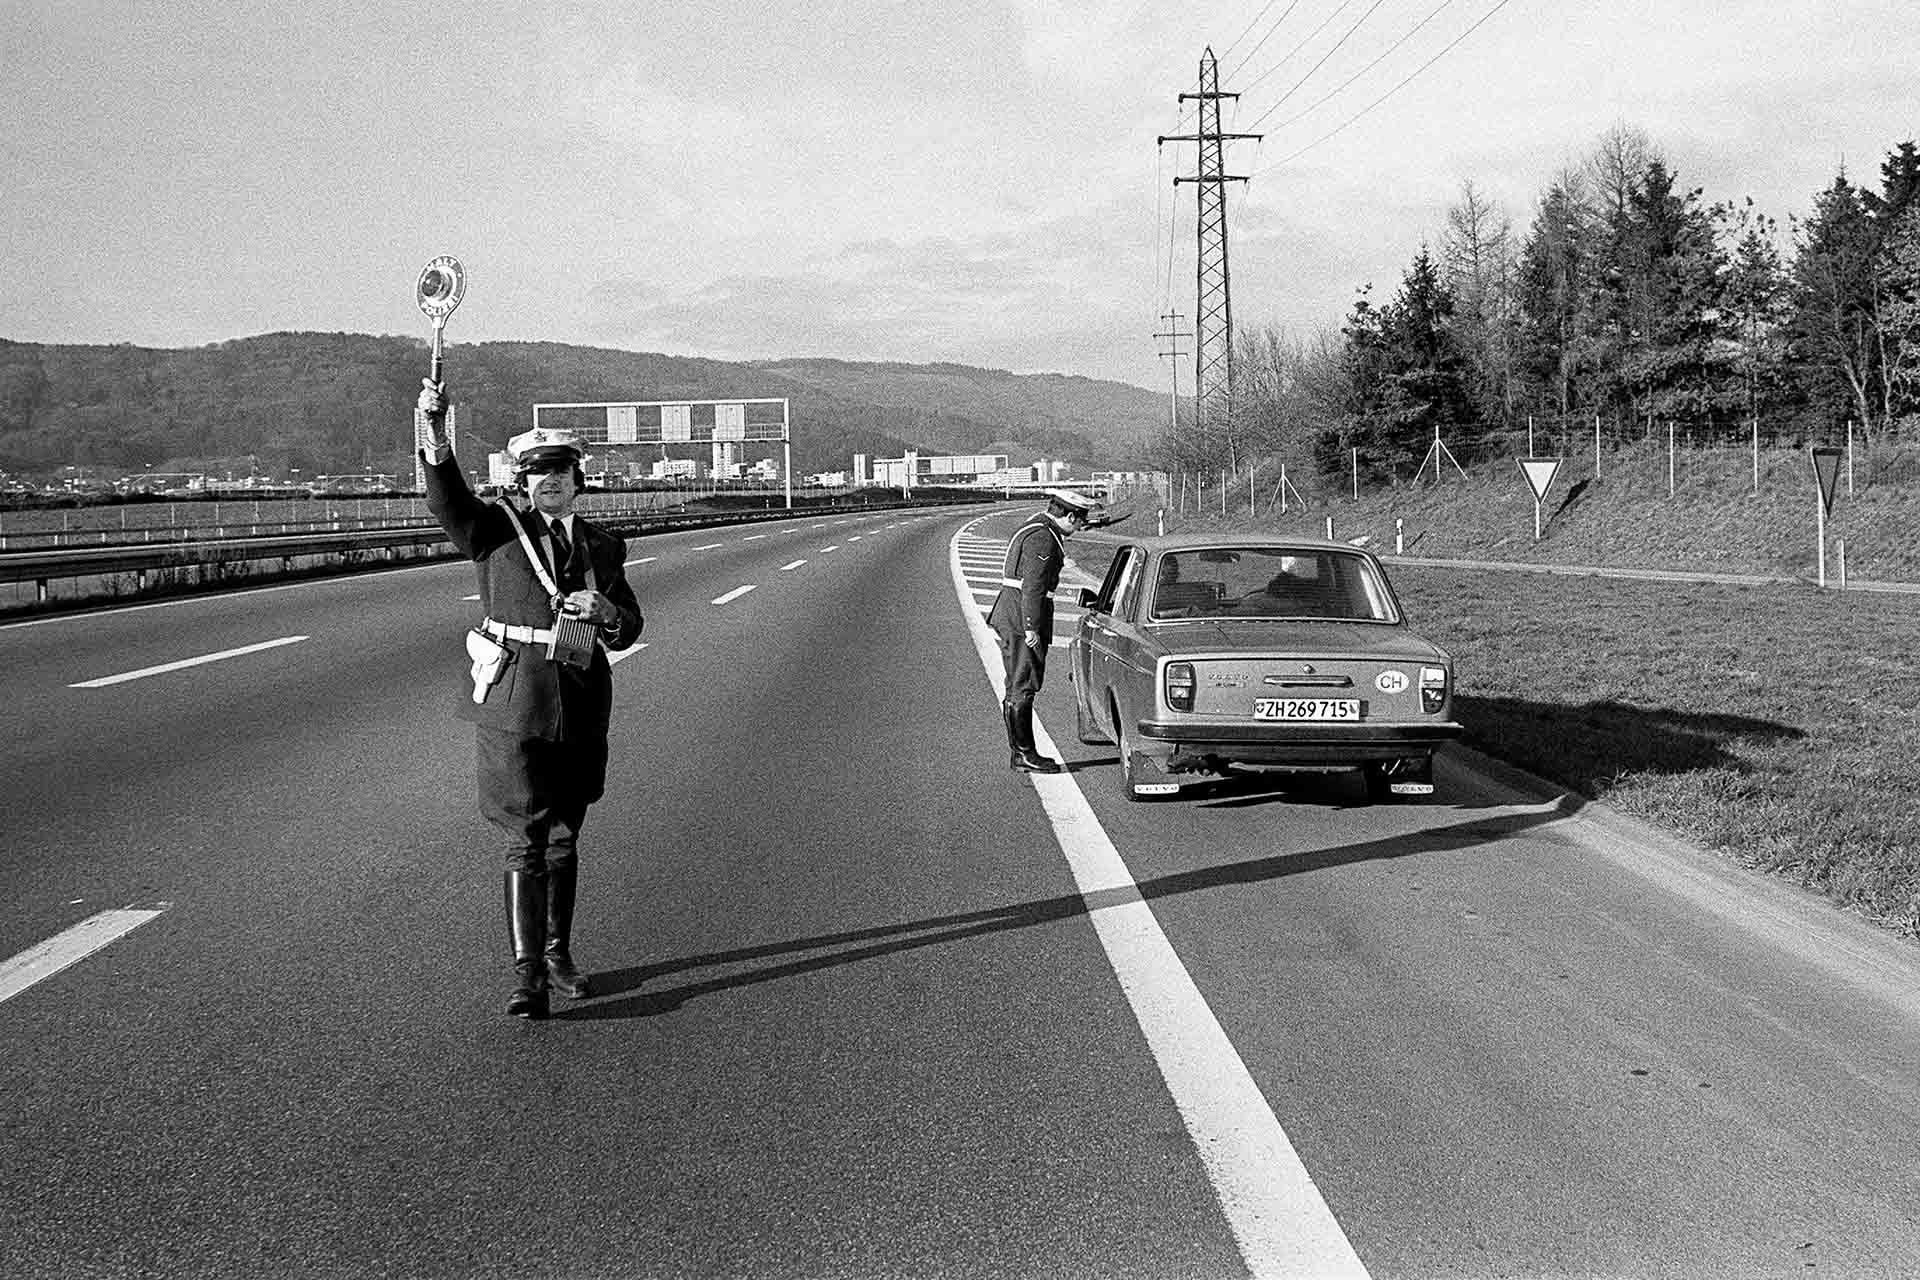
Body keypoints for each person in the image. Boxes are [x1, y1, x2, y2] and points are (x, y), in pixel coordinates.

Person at [417, 379, 644, 1020]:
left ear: (579, 478)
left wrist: (609, 613)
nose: (548, 480)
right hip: (514, 698)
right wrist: (435, 431)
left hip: (580, 696)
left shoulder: (604, 545)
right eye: (535, 471)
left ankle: (559, 954)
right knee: (526, 836)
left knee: (567, 832)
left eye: (559, 470)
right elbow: (447, 497)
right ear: (521, 480)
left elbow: (630, 621)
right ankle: (528, 975)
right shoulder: (494, 530)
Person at [987, 488, 1103, 773]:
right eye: (1079, 522)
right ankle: (1024, 753)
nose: (1078, 528)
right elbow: (1033, 587)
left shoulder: (1037, 525)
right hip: (1020, 616)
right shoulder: (1043, 538)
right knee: (1023, 684)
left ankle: (1021, 752)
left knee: (1017, 683)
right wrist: (1032, 628)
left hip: (1012, 613)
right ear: (1071, 515)